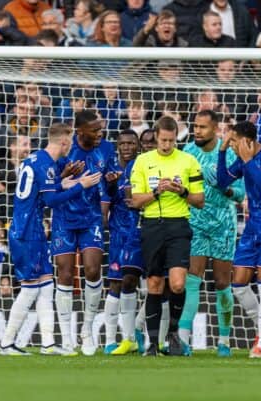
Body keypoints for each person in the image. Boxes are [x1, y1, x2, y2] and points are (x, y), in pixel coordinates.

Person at [0, 123, 102, 356]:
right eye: (70, 141)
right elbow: (53, 202)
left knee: (46, 286)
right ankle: (6, 342)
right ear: (63, 142)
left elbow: (42, 197)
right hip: (27, 233)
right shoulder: (46, 165)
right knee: (30, 289)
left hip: (29, 229)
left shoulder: (36, 160)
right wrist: (81, 185)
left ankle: (47, 343)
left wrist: (62, 182)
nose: (71, 146)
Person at [129, 115, 205, 356]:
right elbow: (136, 200)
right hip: (152, 225)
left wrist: (182, 191)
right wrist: (156, 191)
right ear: (157, 136)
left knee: (178, 284)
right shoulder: (142, 161)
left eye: (171, 141)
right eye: (163, 140)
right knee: (153, 283)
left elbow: (200, 201)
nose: (166, 145)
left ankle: (173, 334)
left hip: (179, 226)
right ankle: (152, 343)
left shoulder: (188, 161)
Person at [217, 120, 261, 358]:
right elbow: (222, 182)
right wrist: (221, 151)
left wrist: (248, 162)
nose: (233, 147)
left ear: (248, 141)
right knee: (238, 283)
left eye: (235, 143)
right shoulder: (241, 158)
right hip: (253, 225)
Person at [177, 110, 245, 357]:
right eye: (195, 126)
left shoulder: (228, 156)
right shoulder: (187, 154)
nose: (197, 130)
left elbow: (240, 193)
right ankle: (183, 340)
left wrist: (223, 186)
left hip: (223, 225)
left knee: (222, 282)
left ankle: (224, 340)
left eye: (203, 127)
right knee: (192, 279)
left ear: (216, 129)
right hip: (195, 223)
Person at [51, 110, 119, 356]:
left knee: (92, 269)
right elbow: (50, 184)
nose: (100, 133)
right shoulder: (65, 149)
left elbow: (110, 186)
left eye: (101, 128)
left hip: (91, 218)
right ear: (80, 131)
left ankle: (87, 330)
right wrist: (64, 175)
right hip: (64, 218)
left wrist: (111, 181)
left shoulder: (107, 149)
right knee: (65, 273)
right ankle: (66, 336)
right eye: (95, 130)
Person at [101, 129, 145, 355]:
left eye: (131, 143)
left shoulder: (143, 166)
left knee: (149, 286)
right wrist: (110, 185)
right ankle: (111, 339)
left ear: (137, 146)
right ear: (117, 146)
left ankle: (137, 333)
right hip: (120, 235)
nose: (126, 147)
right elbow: (105, 202)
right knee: (117, 284)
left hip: (144, 232)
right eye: (122, 144)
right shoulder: (110, 171)